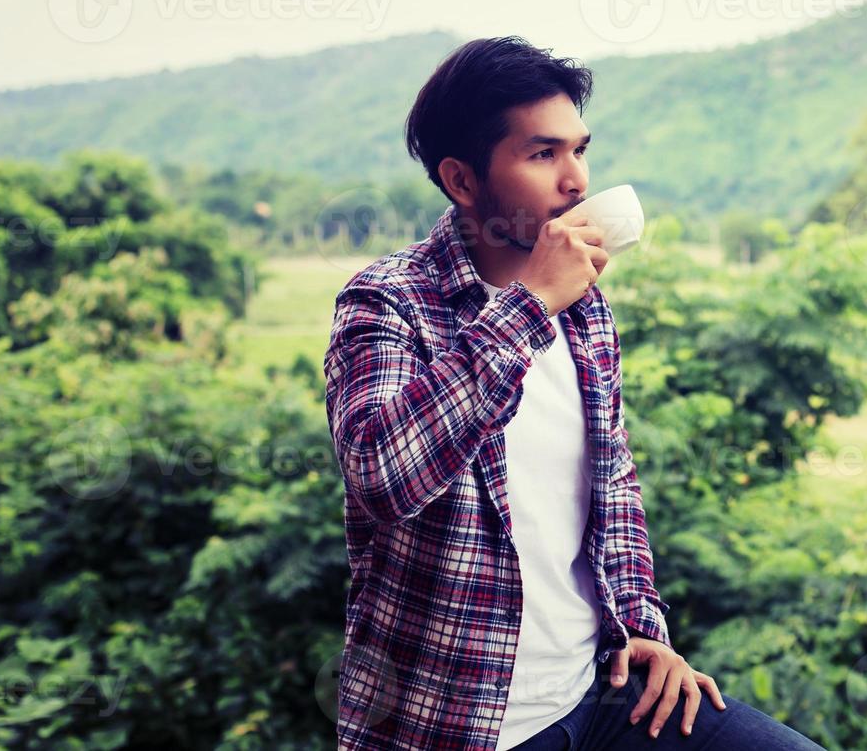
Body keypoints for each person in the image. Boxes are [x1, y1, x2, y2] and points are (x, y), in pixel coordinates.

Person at [324, 37, 826, 750]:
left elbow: (612, 485)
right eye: (542, 155)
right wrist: (531, 303)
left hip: (600, 694)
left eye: (579, 150)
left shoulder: (586, 308)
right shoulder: (388, 301)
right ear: (463, 182)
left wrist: (642, 625)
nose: (575, 181)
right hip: (456, 722)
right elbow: (382, 477)